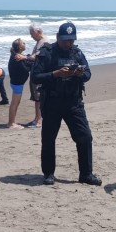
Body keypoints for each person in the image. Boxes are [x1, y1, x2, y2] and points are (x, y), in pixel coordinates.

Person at [32, 22, 101, 186]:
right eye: (65, 40)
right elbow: (35, 77)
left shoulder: (77, 53)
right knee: (49, 139)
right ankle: (48, 174)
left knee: (84, 137)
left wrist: (79, 74)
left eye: (71, 40)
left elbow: (88, 74)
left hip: (73, 102)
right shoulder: (46, 53)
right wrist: (55, 74)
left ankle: (86, 174)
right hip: (52, 102)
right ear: (57, 38)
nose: (68, 44)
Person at [27, 24, 49, 127]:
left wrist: (24, 57)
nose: (31, 36)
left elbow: (37, 57)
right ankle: (37, 118)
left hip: (39, 73)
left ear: (38, 32)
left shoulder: (44, 42)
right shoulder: (39, 42)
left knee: (38, 97)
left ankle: (39, 120)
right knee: (36, 97)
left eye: (32, 33)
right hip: (36, 73)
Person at [7, 38, 30, 129]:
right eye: (23, 43)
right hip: (17, 83)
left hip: (17, 82)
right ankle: (11, 123)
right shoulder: (17, 58)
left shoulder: (18, 56)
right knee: (14, 103)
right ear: (20, 47)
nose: (25, 44)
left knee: (16, 102)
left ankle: (12, 121)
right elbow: (25, 69)